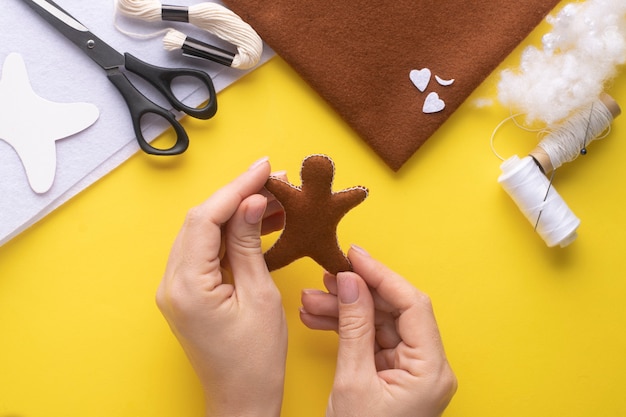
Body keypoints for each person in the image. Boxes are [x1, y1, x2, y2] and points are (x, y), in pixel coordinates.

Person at [156, 157, 457, 417]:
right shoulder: (322, 199)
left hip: (311, 244)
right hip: (318, 245)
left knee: (297, 256)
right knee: (324, 260)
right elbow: (347, 196)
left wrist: (243, 405)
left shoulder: (298, 195)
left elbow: (285, 189)